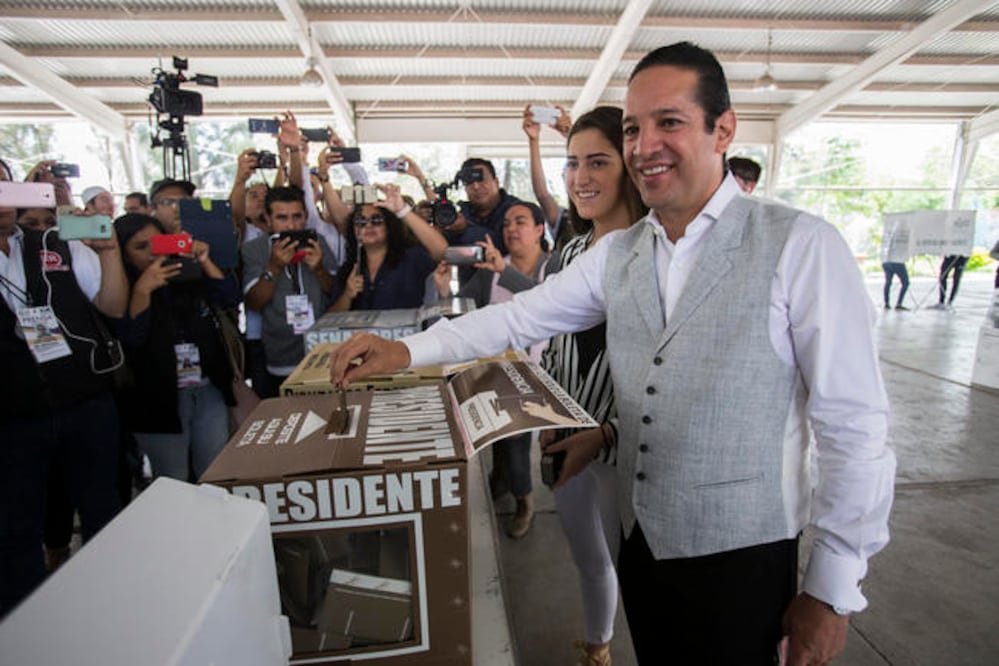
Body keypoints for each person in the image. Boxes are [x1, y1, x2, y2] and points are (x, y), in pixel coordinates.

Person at [328, 41, 896, 666]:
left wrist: (833, 588)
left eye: (669, 122)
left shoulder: (802, 246)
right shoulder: (620, 253)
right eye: (633, 128)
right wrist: (405, 351)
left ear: (723, 130)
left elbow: (854, 426)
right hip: (642, 542)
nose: (644, 145)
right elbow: (520, 317)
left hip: (743, 558)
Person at [540, 105, 646, 666]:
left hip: (625, 446)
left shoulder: (656, 252)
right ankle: (598, 646)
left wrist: (604, 433)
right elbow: (551, 344)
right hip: (564, 432)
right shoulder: (570, 253)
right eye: (572, 163)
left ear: (630, 165)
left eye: (597, 162)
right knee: (588, 557)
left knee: (641, 569)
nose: (580, 177)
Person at [1, 157, 129, 616]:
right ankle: (26, 629)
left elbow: (113, 306)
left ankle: (111, 609)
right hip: (12, 419)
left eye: (4, 184)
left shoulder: (55, 243)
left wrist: (110, 251)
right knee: (15, 530)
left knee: (103, 509)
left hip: (85, 404)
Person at [433, 201, 557, 540]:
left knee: (517, 442)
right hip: (493, 373)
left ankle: (524, 500)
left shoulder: (555, 266)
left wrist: (504, 269)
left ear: (539, 229)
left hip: (540, 376)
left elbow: (548, 304)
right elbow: (464, 313)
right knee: (497, 438)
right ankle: (502, 483)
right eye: (506, 224)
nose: (511, 229)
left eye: (520, 222)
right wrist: (444, 292)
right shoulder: (490, 270)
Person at [113, 213, 239, 482]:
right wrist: (143, 291)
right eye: (139, 247)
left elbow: (229, 297)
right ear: (123, 254)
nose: (150, 253)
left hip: (207, 388)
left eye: (156, 243)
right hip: (157, 401)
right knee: (173, 480)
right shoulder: (120, 288)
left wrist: (203, 261)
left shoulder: (185, 274)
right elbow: (131, 338)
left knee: (213, 474)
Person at [242, 186, 337, 397]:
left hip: (322, 354)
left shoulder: (317, 242)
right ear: (267, 219)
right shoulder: (254, 250)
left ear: (305, 216)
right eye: (282, 218)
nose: (292, 225)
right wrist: (273, 268)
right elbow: (255, 303)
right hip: (279, 356)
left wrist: (319, 269)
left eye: (297, 216)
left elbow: (336, 293)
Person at [329, 183, 447, 312]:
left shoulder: (412, 257)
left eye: (376, 220)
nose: (368, 226)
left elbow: (442, 252)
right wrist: (347, 295)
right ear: (354, 230)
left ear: (389, 226)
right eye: (360, 222)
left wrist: (402, 210)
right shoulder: (349, 268)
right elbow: (329, 319)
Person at [522, 103, 575, 250]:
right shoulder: (565, 220)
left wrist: (571, 133)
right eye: (569, 175)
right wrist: (533, 141)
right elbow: (542, 194)